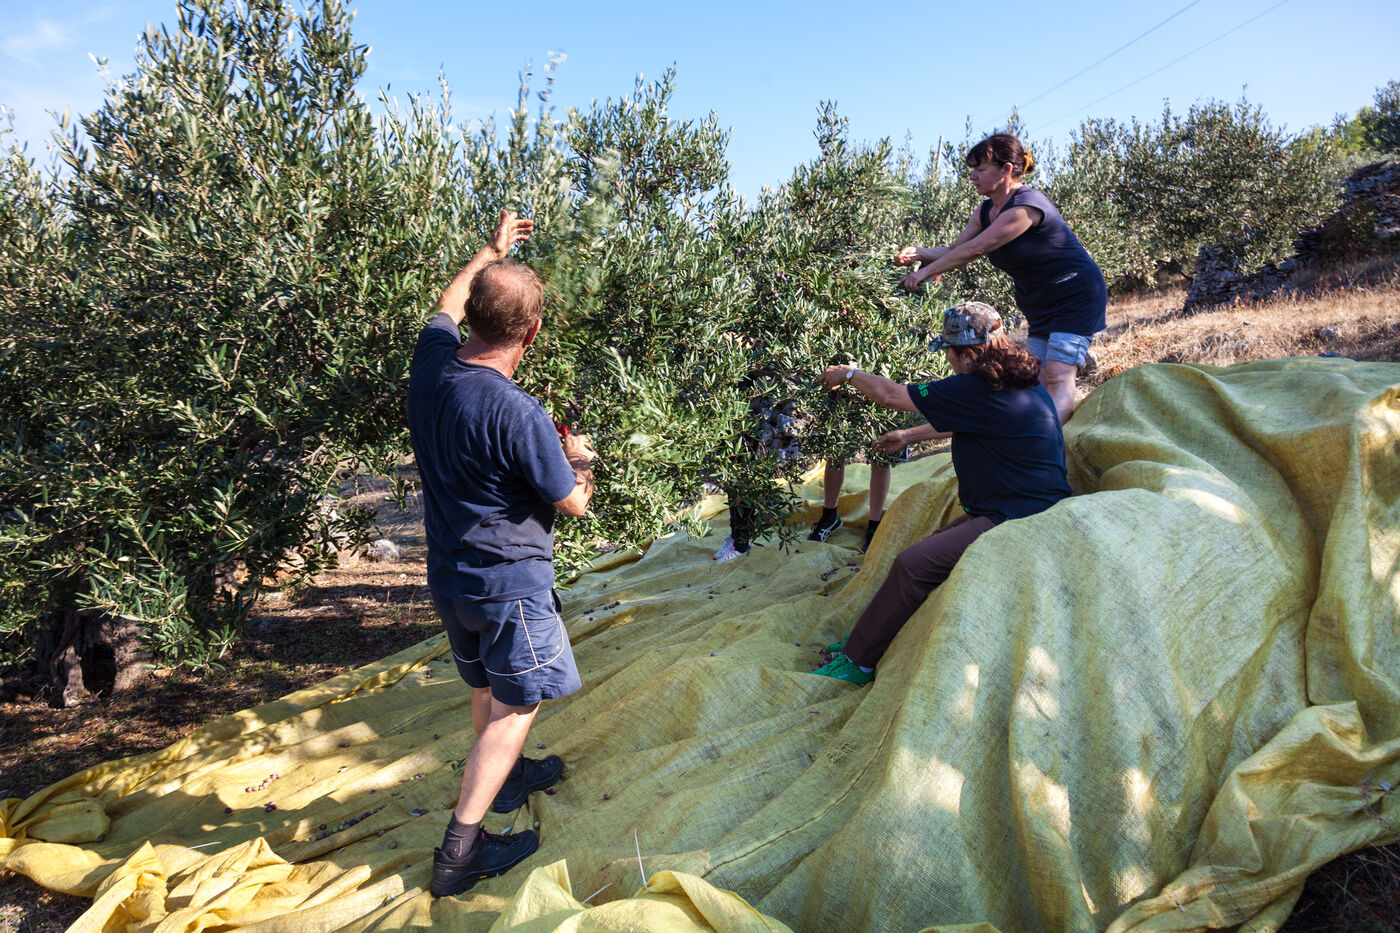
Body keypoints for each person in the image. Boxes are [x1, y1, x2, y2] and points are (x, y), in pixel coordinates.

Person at [408, 210, 599, 897]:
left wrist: (487, 253)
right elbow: (572, 503)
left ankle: (509, 776)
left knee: (487, 688)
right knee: (517, 707)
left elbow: (445, 304)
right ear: (532, 331)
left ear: (474, 317)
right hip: (509, 587)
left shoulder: (431, 368)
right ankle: (460, 851)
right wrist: (581, 459)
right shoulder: (517, 412)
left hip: (450, 577)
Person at [810, 301, 1070, 685]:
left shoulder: (974, 384)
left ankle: (857, 662)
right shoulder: (1015, 377)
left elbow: (891, 395)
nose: (947, 359)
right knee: (926, 550)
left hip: (1017, 513)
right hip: (1023, 503)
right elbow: (973, 418)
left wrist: (847, 374)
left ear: (968, 353)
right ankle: (867, 640)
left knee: (912, 564)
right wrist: (908, 435)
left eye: (949, 351)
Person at [896, 133, 1107, 423]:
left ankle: (1049, 442)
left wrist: (924, 273)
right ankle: (1042, 435)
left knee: (1059, 376)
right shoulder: (985, 211)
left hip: (1075, 293)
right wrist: (920, 254)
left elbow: (977, 249)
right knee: (1038, 379)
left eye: (980, 169)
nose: (972, 176)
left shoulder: (1026, 206)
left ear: (1006, 169)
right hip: (1039, 303)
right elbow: (956, 250)